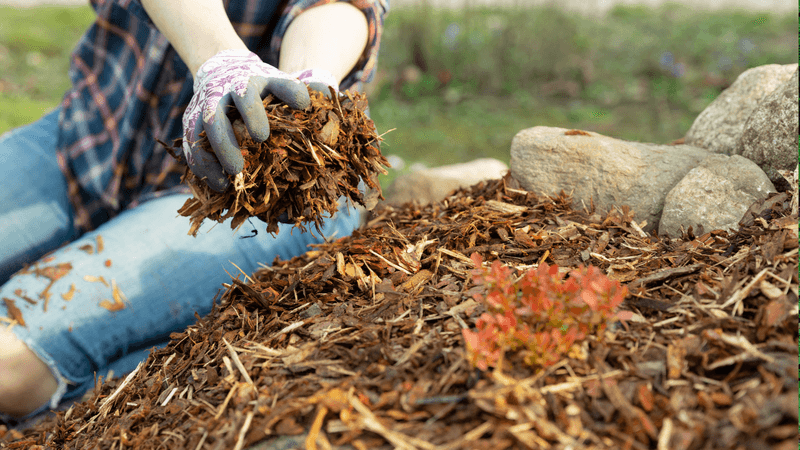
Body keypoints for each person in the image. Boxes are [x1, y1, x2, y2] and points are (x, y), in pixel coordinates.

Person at [0, 0, 387, 422]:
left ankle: (148, 373)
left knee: (9, 366)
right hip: (94, 133)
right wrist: (221, 60)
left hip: (248, 194)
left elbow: (340, 5)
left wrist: (308, 79)